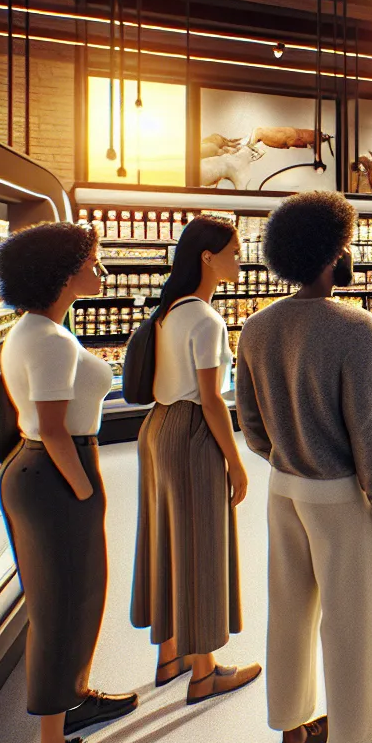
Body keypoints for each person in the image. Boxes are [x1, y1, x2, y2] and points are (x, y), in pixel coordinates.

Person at [233, 191, 372, 743]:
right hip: (339, 500)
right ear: (334, 253)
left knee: (289, 613)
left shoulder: (255, 328)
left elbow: (249, 424)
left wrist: (283, 451)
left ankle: (292, 736)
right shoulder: (354, 329)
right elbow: (371, 431)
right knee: (351, 624)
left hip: (284, 491)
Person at [0, 222, 137, 743]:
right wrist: (82, 489)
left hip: (45, 472)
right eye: (92, 263)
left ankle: (73, 699)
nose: (100, 272)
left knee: (76, 599)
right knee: (59, 612)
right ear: (62, 273)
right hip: (56, 473)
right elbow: (52, 428)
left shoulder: (36, 329)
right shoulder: (50, 340)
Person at [132, 215, 261, 703]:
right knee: (203, 546)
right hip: (190, 433)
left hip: (158, 428)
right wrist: (236, 459)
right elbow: (211, 400)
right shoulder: (206, 319)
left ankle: (170, 656)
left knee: (166, 541)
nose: (239, 259)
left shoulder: (171, 310)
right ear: (207, 257)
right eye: (232, 251)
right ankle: (205, 672)